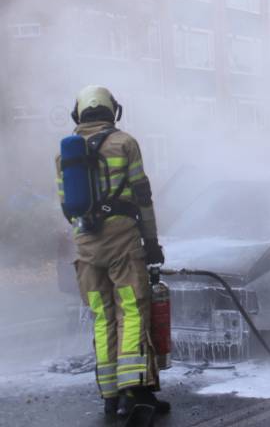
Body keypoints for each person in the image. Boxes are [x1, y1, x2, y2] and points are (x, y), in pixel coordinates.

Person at [56, 86, 169, 417]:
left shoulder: (64, 156)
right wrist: (151, 242)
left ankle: (110, 395)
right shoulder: (125, 143)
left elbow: (67, 208)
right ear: (112, 111)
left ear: (78, 113)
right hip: (122, 242)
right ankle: (136, 391)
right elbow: (143, 197)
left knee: (102, 316)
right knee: (131, 310)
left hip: (86, 247)